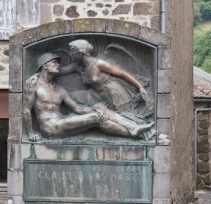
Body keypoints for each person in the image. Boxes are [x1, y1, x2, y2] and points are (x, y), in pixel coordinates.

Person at [23, 52, 154, 141]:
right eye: (54, 62)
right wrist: (31, 133)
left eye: (58, 63)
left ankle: (135, 131)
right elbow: (26, 110)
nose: (58, 65)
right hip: (50, 128)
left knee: (99, 109)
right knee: (96, 117)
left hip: (63, 123)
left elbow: (78, 109)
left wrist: (95, 109)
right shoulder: (34, 84)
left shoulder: (60, 90)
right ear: (44, 66)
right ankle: (133, 129)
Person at [59, 39, 153, 117]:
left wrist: (140, 86)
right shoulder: (77, 66)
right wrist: (48, 63)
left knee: (123, 117)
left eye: (72, 51)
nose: (70, 53)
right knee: (71, 97)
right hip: (96, 95)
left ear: (80, 52)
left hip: (113, 94)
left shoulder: (98, 63)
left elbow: (122, 74)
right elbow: (61, 71)